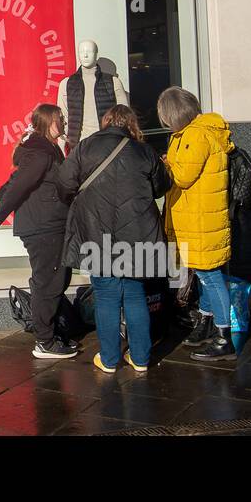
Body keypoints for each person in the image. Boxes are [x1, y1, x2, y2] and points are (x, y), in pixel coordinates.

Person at [57, 105, 171, 373]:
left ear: (106, 122)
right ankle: (141, 358)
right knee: (134, 294)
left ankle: (109, 360)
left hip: (97, 232)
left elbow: (64, 182)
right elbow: (161, 187)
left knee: (106, 295)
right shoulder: (143, 151)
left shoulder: (85, 147)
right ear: (131, 125)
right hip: (138, 232)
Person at [0, 104, 78, 359]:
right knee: (49, 282)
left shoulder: (43, 148)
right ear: (49, 122)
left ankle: (49, 334)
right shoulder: (41, 152)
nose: (64, 121)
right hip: (43, 227)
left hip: (46, 224)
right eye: (60, 118)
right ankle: (45, 342)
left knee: (54, 279)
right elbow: (21, 184)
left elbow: (18, 180)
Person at [157, 86, 237, 362]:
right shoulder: (196, 132)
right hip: (198, 217)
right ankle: (206, 323)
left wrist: (166, 164)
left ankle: (224, 337)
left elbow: (184, 176)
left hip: (202, 219)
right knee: (205, 276)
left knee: (212, 278)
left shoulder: (196, 135)